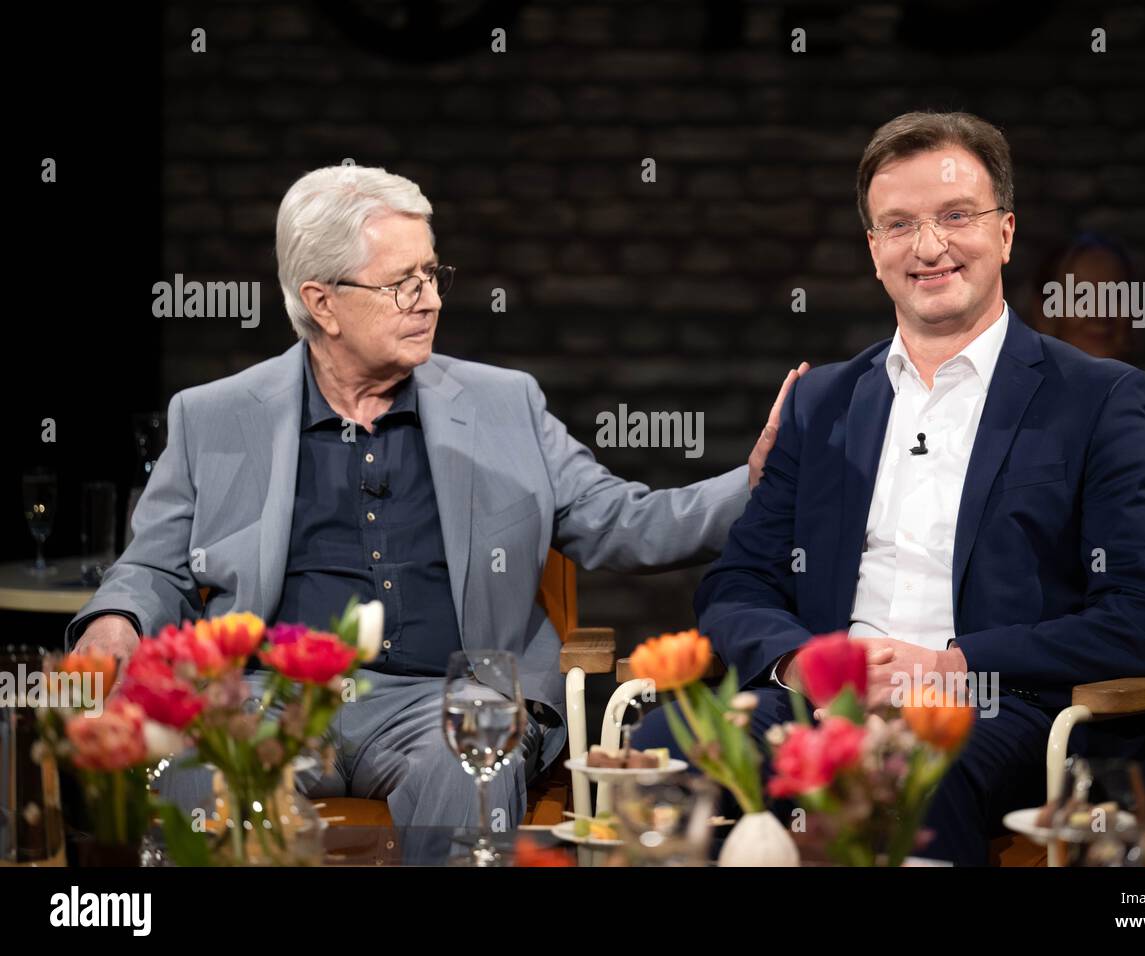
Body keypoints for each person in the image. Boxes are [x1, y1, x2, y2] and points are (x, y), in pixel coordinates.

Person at [67, 165, 806, 831]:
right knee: (197, 769)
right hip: (268, 701)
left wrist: (757, 483)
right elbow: (154, 567)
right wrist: (115, 622)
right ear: (322, 303)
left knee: (464, 764)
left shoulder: (503, 404)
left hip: (451, 697)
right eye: (401, 283)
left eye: (432, 274)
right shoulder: (216, 416)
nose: (428, 300)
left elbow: (623, 521)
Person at [633, 111, 1145, 865]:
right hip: (827, 701)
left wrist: (952, 666)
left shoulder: (1098, 398)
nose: (929, 247)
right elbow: (737, 585)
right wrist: (807, 664)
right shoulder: (821, 401)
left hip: (1001, 705)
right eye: (899, 225)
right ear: (874, 251)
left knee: (906, 777)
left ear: (1005, 233)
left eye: (956, 216)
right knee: (666, 740)